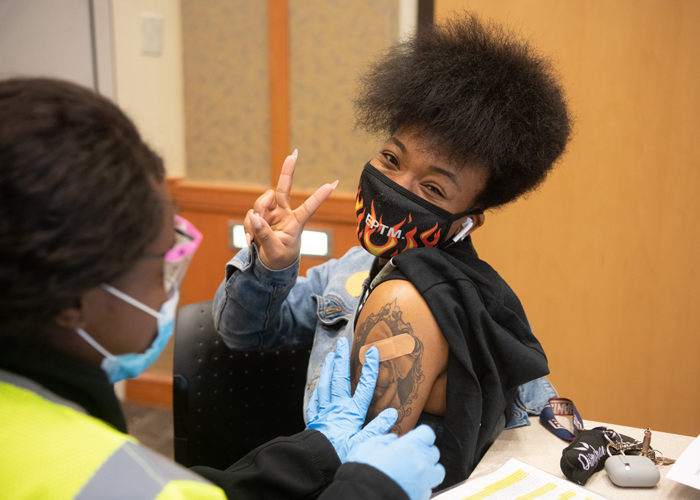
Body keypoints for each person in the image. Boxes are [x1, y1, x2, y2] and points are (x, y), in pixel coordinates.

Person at [0, 78, 445, 500]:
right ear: (73, 302)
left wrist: (321, 451)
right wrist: (366, 489)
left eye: (433, 186)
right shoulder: (112, 479)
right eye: (164, 265)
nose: (166, 292)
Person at [214, 13, 571, 489]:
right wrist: (269, 266)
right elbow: (242, 334)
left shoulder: (448, 302)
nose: (397, 187)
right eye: (390, 159)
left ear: (465, 222)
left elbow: (532, 421)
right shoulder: (349, 271)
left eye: (432, 188)